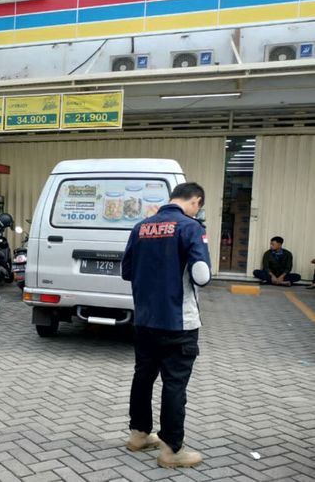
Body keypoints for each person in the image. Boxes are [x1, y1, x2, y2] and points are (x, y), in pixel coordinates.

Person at [121, 182, 211, 469]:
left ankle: (138, 435)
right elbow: (202, 275)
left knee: (143, 376)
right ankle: (172, 450)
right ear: (196, 201)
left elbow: (126, 271)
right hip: (178, 322)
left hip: (145, 319)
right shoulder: (191, 227)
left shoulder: (141, 227)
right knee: (174, 384)